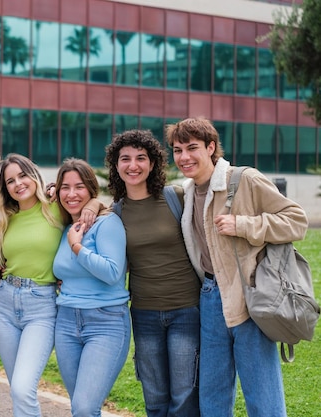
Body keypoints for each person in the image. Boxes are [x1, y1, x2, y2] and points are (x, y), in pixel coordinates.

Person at [165, 117, 308, 417]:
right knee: (212, 397)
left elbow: (296, 220)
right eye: (178, 150)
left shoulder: (244, 179)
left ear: (211, 147)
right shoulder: (186, 192)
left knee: (262, 396)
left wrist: (243, 224)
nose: (184, 157)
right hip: (209, 297)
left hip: (249, 296)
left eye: (192, 148)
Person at [0, 154, 98, 416]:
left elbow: (88, 198)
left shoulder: (55, 210)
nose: (18, 184)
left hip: (41, 306)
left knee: (22, 387)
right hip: (4, 304)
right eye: (10, 181)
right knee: (17, 388)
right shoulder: (5, 218)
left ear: (34, 175)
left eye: (23, 175)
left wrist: (93, 204)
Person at [105, 130, 200, 417]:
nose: (133, 165)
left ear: (153, 163)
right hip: (144, 313)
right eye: (125, 159)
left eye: (140, 158)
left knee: (184, 395)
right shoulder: (115, 212)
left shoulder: (177, 197)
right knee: (155, 397)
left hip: (186, 309)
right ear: (116, 165)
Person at [52, 158, 130, 417]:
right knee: (80, 407)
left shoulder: (107, 224)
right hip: (65, 322)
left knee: (85, 408)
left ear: (91, 190)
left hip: (105, 321)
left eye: (79, 187)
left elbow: (112, 273)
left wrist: (78, 247)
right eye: (65, 187)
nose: (72, 194)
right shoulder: (65, 227)